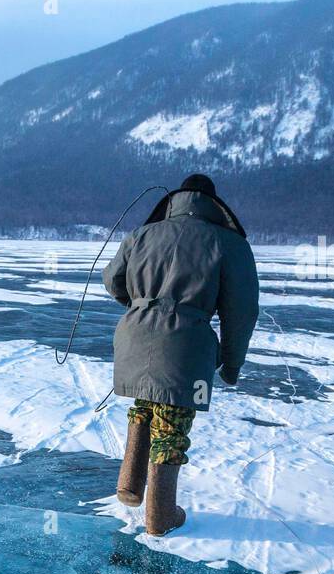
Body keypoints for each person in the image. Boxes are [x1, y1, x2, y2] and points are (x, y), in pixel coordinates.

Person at [102, 174, 259, 536]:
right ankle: (160, 515)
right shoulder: (229, 243)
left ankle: (129, 484)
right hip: (186, 344)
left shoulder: (142, 234)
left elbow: (113, 282)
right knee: (171, 424)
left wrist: (142, 307)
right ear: (214, 205)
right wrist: (232, 363)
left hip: (133, 336)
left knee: (145, 403)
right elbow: (242, 311)